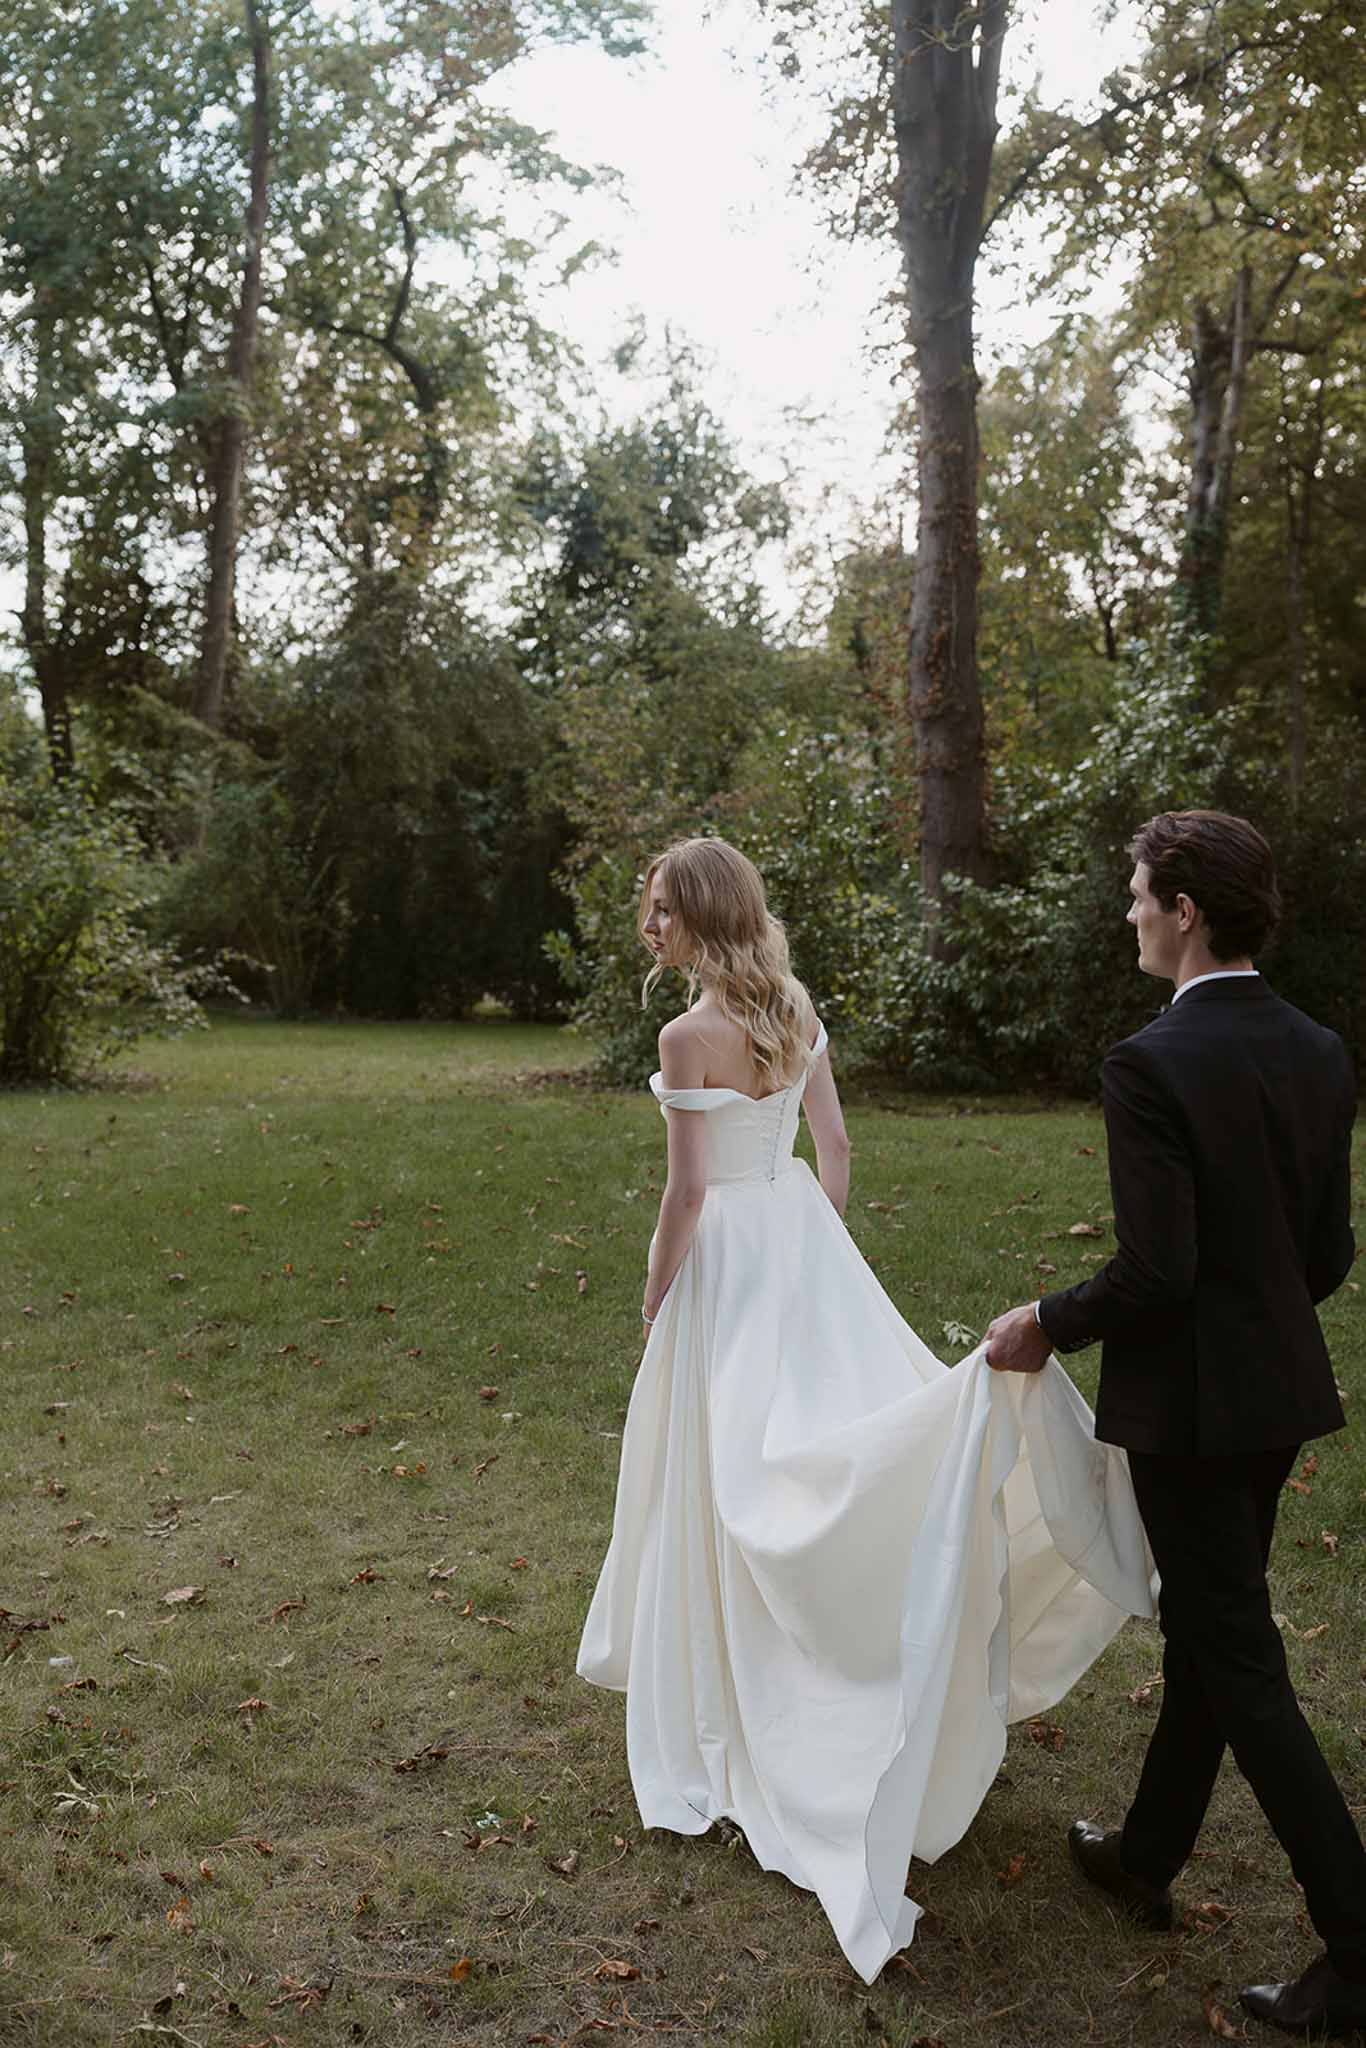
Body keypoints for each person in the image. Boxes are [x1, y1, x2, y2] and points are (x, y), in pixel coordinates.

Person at [577, 836, 1157, 1984]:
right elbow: (834, 1147)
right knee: (793, 1444)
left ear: (701, 915)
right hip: (797, 1237)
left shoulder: (687, 1035)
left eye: (661, 910)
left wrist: (655, 1299)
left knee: (732, 1464)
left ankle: (751, 1688)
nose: (649, 928)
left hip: (729, 1254)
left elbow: (686, 1192)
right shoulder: (791, 1006)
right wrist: (814, 1254)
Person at [986, 809, 1365, 2040]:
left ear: (1185, 911)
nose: (1130, 911)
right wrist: (1254, 1321)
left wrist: (1045, 1318)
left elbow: (1155, 1268)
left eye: (1139, 893)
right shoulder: (1317, 1046)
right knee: (1213, 1626)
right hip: (1275, 1396)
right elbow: (1325, 1253)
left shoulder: (1147, 1063)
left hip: (1194, 1413)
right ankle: (1145, 1853)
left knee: (1237, 1656)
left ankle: (1358, 1944)